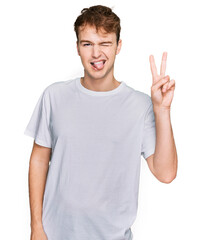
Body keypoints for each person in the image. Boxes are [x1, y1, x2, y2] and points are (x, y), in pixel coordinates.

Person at [24, 5, 178, 240]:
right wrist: (36, 227)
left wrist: (162, 110)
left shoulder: (141, 106)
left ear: (118, 46)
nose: (96, 54)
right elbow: (39, 159)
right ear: (77, 48)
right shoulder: (54, 96)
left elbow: (166, 173)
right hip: (54, 234)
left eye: (105, 43)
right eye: (87, 44)